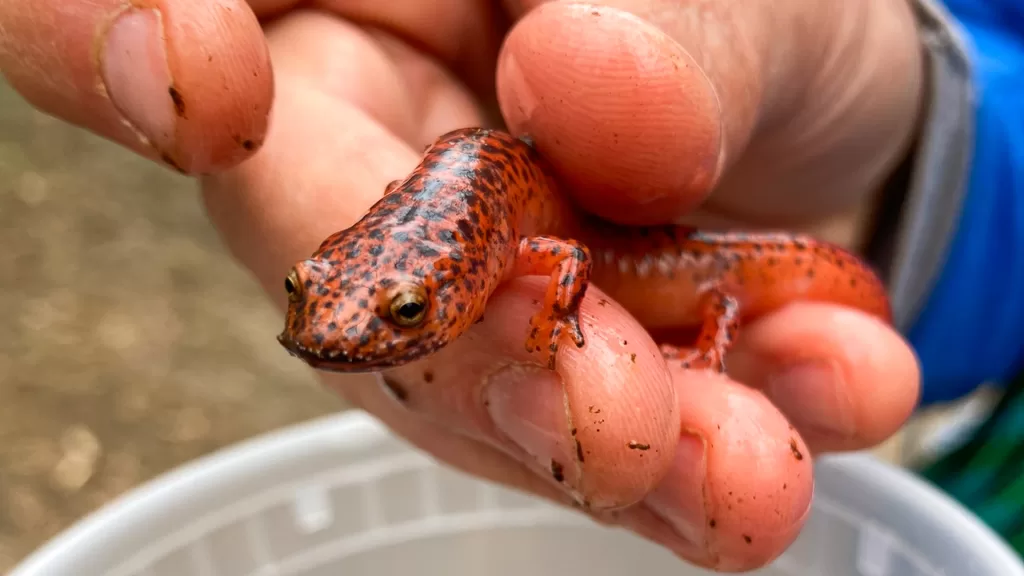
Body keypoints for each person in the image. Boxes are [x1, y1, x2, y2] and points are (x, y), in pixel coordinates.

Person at [0, 0, 1018, 570]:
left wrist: (570, 331)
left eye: (402, 315)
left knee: (696, 297)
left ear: (461, 268)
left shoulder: (514, 255)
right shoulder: (439, 239)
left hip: (685, 256)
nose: (337, 328)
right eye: (320, 291)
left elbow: (571, 261)